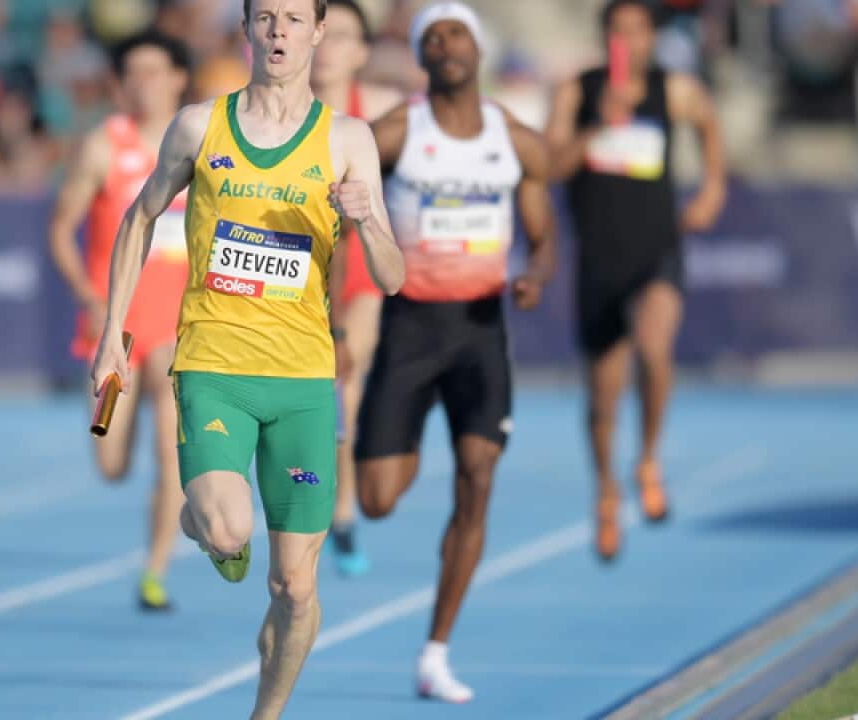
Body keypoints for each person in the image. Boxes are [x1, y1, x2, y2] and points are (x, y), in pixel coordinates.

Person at [89, 0, 405, 715]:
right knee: (230, 528)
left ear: (319, 32)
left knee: (294, 588)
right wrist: (114, 333)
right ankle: (203, 522)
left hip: (301, 382)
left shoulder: (349, 139)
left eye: (295, 19)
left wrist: (364, 220)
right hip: (214, 368)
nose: (279, 32)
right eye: (266, 18)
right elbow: (140, 218)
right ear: (246, 30)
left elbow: (391, 275)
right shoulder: (201, 126)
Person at [355, 2, 556, 703]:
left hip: (479, 333)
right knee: (377, 500)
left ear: (479, 48)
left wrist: (536, 274)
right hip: (409, 328)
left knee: (477, 475)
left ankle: (436, 650)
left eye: (456, 33)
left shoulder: (515, 140)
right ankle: (380, 441)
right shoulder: (401, 129)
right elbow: (334, 177)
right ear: (420, 56)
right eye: (432, 37)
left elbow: (544, 231)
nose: (445, 44)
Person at [545, 0, 726, 562]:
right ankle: (606, 489)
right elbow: (551, 165)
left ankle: (648, 457)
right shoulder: (578, 90)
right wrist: (602, 121)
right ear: (605, 38)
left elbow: (709, 123)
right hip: (600, 259)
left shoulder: (674, 90)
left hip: (656, 254)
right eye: (618, 30)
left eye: (638, 30)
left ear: (651, 37)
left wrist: (713, 186)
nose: (628, 39)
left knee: (654, 347)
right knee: (602, 398)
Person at [49, 31, 192, 612]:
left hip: (181, 325)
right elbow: (61, 229)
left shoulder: (201, 145)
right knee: (110, 461)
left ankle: (155, 570)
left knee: (172, 453)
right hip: (117, 330)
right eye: (133, 72)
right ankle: (119, 431)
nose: (144, 83)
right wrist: (87, 294)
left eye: (155, 71)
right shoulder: (103, 146)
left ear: (179, 78)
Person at [310, 0, 403, 578]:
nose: (329, 47)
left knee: (346, 374)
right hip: (296, 261)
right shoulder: (280, 109)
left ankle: (341, 509)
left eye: (344, 36)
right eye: (325, 34)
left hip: (360, 262)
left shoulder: (382, 116)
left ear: (361, 52)